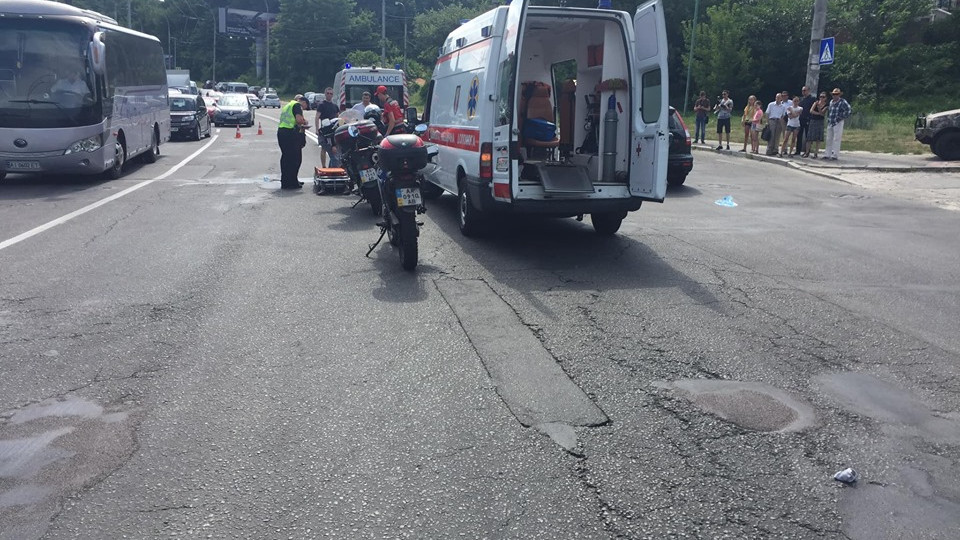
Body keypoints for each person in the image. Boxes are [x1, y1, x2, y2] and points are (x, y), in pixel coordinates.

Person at [277, 95, 310, 190]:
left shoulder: (288, 105)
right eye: (305, 107)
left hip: (282, 132)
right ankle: (292, 182)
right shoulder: (297, 105)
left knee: (286, 158)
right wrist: (305, 122)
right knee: (294, 159)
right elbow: (299, 120)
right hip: (290, 134)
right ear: (303, 102)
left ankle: (285, 181)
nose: (303, 109)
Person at [824, 88, 852, 161]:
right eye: (833, 94)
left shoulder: (843, 102)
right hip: (831, 121)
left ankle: (835, 155)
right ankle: (827, 154)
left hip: (838, 122)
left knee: (836, 139)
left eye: (836, 94)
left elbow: (848, 110)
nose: (834, 96)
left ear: (839, 95)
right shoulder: (831, 102)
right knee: (828, 138)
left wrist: (841, 117)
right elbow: (830, 111)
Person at [314, 87, 339, 166]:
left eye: (331, 93)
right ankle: (324, 166)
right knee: (324, 148)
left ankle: (331, 166)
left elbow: (339, 118)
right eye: (327, 93)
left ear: (332, 95)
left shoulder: (335, 106)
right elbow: (317, 117)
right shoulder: (321, 105)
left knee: (335, 149)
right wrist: (317, 129)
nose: (329, 95)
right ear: (325, 94)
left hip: (334, 130)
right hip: (325, 130)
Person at [803, 92, 828, 158]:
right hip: (813, 120)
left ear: (825, 98)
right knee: (809, 137)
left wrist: (819, 108)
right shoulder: (816, 102)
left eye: (823, 97)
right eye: (820, 96)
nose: (821, 98)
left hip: (820, 122)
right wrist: (818, 113)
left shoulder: (826, 105)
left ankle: (816, 153)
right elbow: (811, 111)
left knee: (818, 138)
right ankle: (807, 152)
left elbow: (823, 113)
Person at [764, 91, 788, 156]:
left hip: (779, 121)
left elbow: (783, 115)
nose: (777, 99)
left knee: (777, 136)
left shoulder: (783, 106)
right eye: (776, 97)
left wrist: (781, 121)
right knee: (771, 135)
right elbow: (767, 113)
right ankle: (769, 150)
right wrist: (767, 121)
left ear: (781, 99)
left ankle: (775, 150)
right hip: (772, 120)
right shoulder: (771, 104)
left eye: (779, 97)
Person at [794, 86, 815, 156]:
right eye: (802, 90)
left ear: (808, 91)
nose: (803, 92)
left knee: (807, 136)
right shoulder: (801, 99)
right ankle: (798, 150)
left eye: (805, 90)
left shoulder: (812, 99)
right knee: (799, 135)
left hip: (808, 119)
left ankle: (807, 151)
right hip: (800, 119)